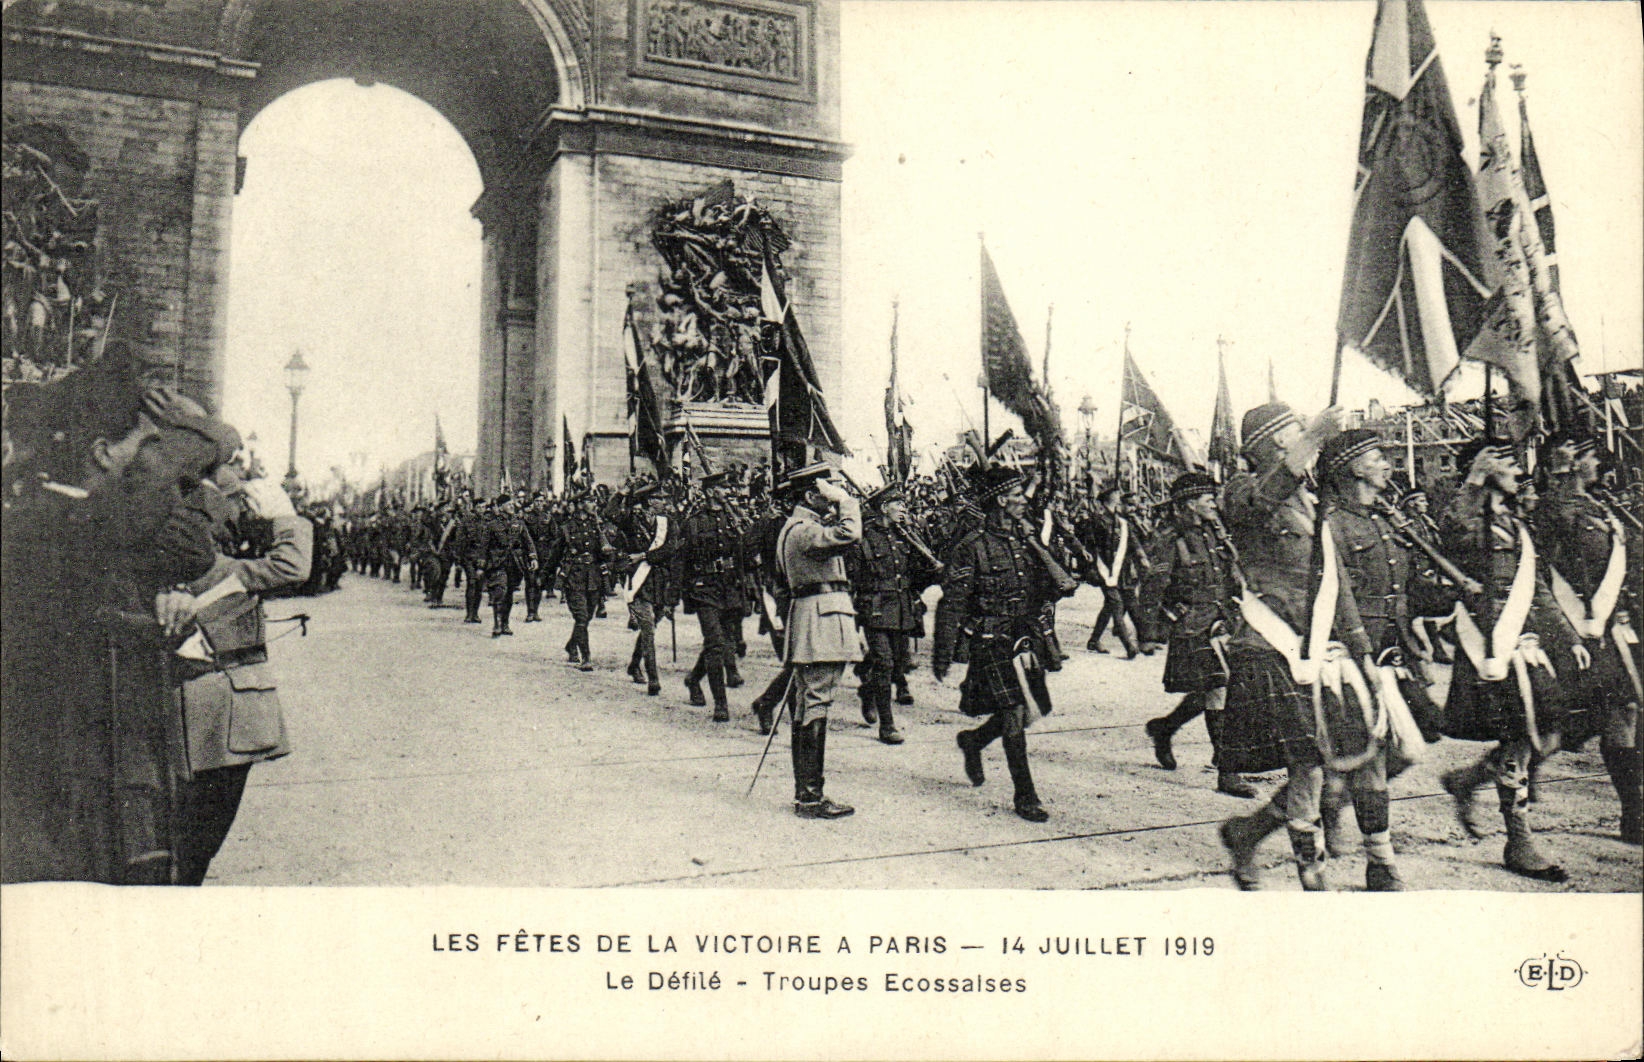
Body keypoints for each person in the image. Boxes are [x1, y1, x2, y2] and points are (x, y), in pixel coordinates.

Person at [2, 346, 226, 883]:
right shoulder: (62, 522)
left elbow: (180, 547)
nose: (154, 466)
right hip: (56, 792)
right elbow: (185, 530)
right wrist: (204, 432)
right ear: (103, 453)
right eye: (144, 451)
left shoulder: (61, 515)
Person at [1215, 402, 1378, 891]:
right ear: (1273, 442)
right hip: (1270, 646)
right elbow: (1261, 500)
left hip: (1317, 646)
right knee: (1308, 761)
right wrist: (1313, 438)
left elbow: (1335, 579)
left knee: (1343, 754)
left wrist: (1358, 645)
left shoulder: (1313, 499)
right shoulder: (1241, 491)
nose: (1305, 435)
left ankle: (1249, 833)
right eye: (1295, 431)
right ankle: (1312, 874)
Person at [1437, 440, 1588, 882]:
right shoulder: (1471, 518)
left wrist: (1569, 636)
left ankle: (1469, 780)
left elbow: (1537, 588)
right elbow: (1452, 534)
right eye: (1504, 461)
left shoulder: (1515, 522)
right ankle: (1518, 839)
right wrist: (1470, 483)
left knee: (1551, 731)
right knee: (1520, 735)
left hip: (1524, 643)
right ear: (1484, 469)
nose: (1517, 468)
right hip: (1488, 645)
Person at [171, 470, 311, 884]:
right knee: (200, 837)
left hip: (194, 713)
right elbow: (292, 564)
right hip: (221, 719)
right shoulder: (217, 569)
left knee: (184, 838)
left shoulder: (186, 560)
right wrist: (283, 514)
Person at [1313, 428, 1437, 890]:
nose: (1387, 464)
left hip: (1391, 652)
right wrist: (1360, 653)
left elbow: (1399, 594)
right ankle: (1380, 862)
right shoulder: (1332, 525)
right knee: (1372, 759)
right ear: (1353, 468)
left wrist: (1416, 638)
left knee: (1407, 749)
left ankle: (1331, 800)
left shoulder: (1382, 520)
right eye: (1378, 457)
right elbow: (1339, 598)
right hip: (1350, 656)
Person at [934, 465, 1072, 823]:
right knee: (1013, 712)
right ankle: (1025, 794)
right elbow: (952, 602)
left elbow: (1058, 587)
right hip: (991, 640)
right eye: (1016, 495)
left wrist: (1035, 546)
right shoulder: (972, 547)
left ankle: (974, 741)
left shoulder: (1023, 542)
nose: (1023, 501)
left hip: (1024, 637)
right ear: (1000, 500)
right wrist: (943, 651)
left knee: (1032, 708)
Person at [1534, 431, 1640, 844]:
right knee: (1615, 713)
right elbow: (1542, 573)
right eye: (1592, 457)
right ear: (1573, 461)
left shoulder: (1599, 505)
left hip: (1616, 624)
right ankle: (1633, 815)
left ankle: (1479, 776)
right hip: (1582, 628)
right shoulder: (1553, 510)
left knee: (1597, 720)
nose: (1601, 464)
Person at [1142, 472, 1257, 799]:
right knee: (1220, 689)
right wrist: (1150, 632)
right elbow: (1152, 587)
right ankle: (1228, 771)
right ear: (1189, 503)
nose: (1213, 502)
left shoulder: (1214, 533)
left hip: (1221, 621)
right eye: (1207, 498)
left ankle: (1165, 728)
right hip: (1192, 624)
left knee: (1211, 690)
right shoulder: (1170, 538)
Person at [776, 462, 862, 818]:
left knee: (810, 704)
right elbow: (851, 534)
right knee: (815, 704)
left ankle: (807, 794)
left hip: (817, 620)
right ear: (811, 495)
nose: (832, 500)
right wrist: (846, 501)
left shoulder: (799, 528)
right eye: (826, 492)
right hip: (820, 623)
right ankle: (810, 797)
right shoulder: (805, 531)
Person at [848, 483, 941, 744]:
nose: (903, 508)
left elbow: (914, 575)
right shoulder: (864, 537)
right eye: (897, 504)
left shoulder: (905, 535)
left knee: (900, 663)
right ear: (883, 508)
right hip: (875, 607)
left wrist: (934, 570)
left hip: (901, 606)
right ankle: (887, 726)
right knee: (884, 663)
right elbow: (853, 577)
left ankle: (868, 692)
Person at [677, 470, 746, 720]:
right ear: (709, 493)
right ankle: (721, 703)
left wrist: (744, 591)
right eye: (722, 488)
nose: (727, 491)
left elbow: (740, 557)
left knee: (721, 642)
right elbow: (681, 562)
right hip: (703, 588)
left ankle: (693, 679)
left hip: (728, 587)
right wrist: (680, 597)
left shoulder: (732, 519)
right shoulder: (694, 522)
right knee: (716, 644)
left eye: (727, 488)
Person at [621, 481, 675, 694]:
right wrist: (620, 494)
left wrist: (645, 555)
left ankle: (634, 665)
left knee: (650, 628)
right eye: (659, 499)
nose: (663, 502)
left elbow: (670, 548)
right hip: (640, 582)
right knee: (648, 629)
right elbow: (610, 513)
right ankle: (653, 678)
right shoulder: (632, 520)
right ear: (649, 501)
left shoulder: (668, 522)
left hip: (660, 581)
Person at [1082, 484, 1147, 658]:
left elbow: (1133, 541)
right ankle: (1129, 646)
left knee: (1126, 605)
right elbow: (1091, 545)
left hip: (1123, 570)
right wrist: (1092, 567)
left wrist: (1141, 556)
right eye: (1115, 493)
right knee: (1116, 605)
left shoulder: (1122, 522)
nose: (1119, 495)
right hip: (1106, 569)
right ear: (1107, 499)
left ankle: (1095, 640)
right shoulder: (1097, 520)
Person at [550, 488, 611, 668]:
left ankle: (571, 646)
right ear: (580, 505)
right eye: (590, 501)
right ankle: (586, 657)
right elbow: (555, 554)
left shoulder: (596, 526)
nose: (594, 504)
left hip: (593, 577)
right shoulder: (567, 528)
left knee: (587, 616)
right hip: (574, 577)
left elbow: (604, 553)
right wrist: (543, 576)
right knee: (582, 617)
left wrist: (607, 551)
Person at [477, 493, 537, 637]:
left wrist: (533, 557)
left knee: (509, 594)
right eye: (509, 504)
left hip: (515, 564)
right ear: (501, 507)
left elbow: (528, 542)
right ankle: (497, 624)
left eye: (512, 504)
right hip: (498, 563)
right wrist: (480, 566)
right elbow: (484, 546)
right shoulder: (492, 524)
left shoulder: (519, 523)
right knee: (500, 591)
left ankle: (505, 623)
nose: (512, 506)